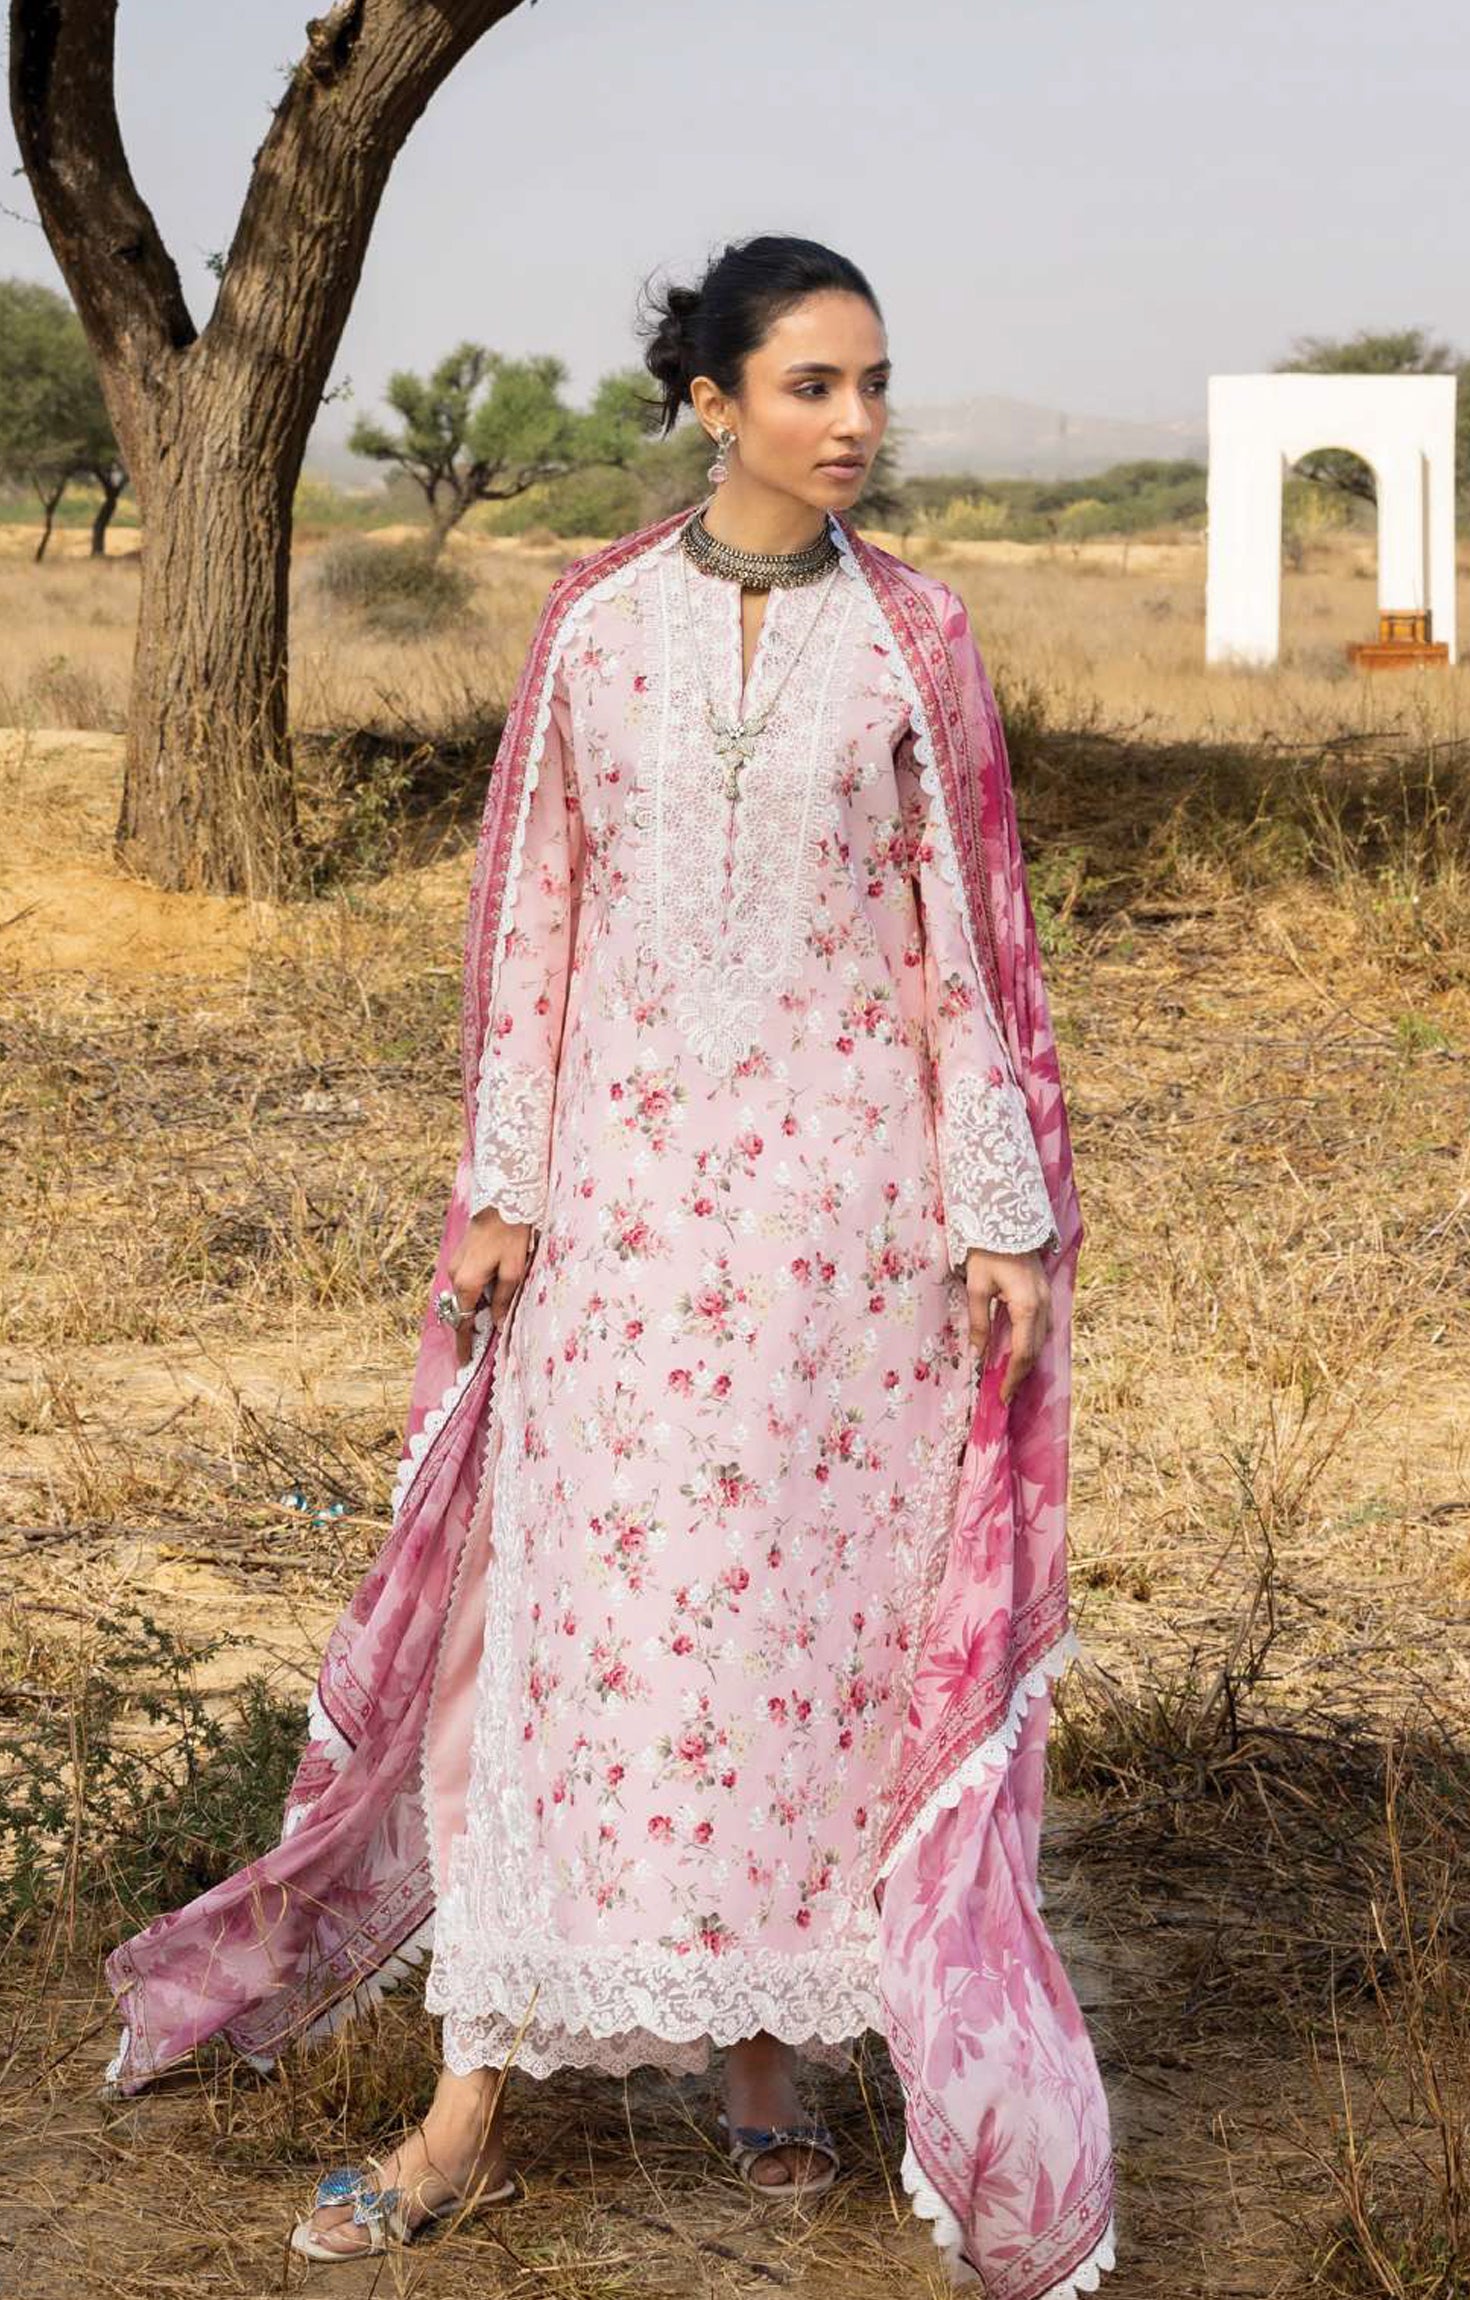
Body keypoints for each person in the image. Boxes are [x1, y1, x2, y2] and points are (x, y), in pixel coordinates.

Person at [103, 233, 1116, 2296]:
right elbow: (537, 920)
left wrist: (999, 1217)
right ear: (711, 400)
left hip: (849, 1235)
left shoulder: (919, 636)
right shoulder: (594, 624)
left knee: (809, 1642)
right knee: (577, 1632)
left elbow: (969, 941)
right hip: (628, 1218)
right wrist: (504, 1187)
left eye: (875, 383)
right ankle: (469, 2101)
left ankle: (763, 2052)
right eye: (814, 384)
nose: (858, 421)